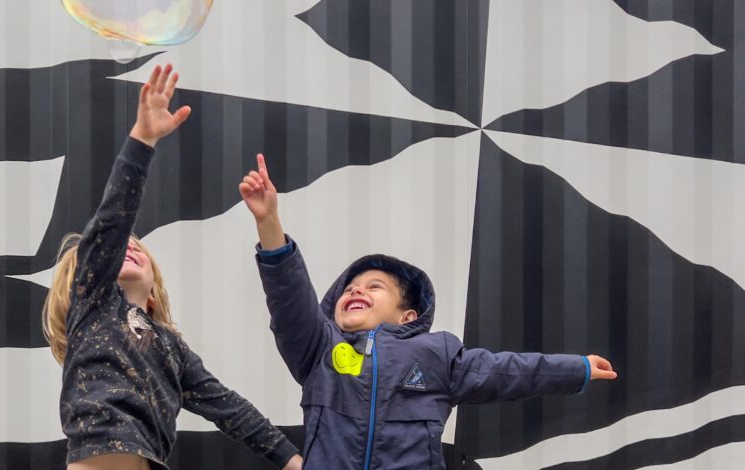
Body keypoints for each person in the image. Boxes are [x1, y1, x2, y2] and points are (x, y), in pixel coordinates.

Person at [238, 154, 617, 469]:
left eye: (374, 287)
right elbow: (289, 301)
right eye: (350, 288)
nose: (356, 290)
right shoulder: (319, 349)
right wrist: (268, 222)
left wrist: (576, 369)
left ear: (408, 316)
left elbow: (506, 371)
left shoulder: (436, 354)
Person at [42, 64, 303, 470]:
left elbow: (229, 408)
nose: (128, 246)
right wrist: (142, 139)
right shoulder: (93, 307)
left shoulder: (172, 348)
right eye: (118, 249)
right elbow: (112, 222)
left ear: (154, 286)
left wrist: (292, 459)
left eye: (138, 247)